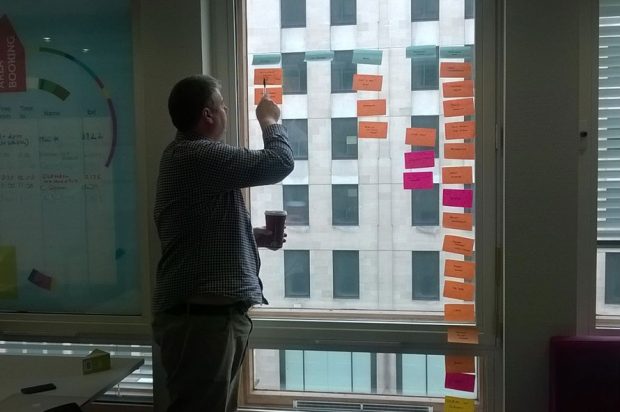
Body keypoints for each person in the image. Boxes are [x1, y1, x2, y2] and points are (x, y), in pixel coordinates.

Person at [152, 74, 294, 412]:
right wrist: (270, 120)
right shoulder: (195, 154)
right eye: (223, 105)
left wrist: (252, 237)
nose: (227, 110)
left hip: (206, 319)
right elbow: (279, 163)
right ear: (208, 115)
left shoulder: (187, 157)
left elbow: (198, 234)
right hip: (202, 322)